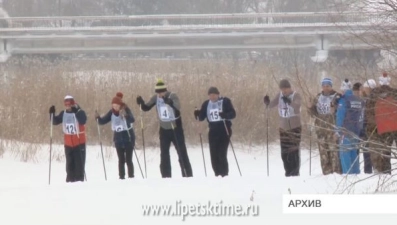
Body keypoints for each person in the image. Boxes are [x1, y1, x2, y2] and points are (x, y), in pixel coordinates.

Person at [136, 79, 193, 178]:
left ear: (165, 91)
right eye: (158, 92)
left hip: (175, 128)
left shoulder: (173, 96)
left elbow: (177, 106)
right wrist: (141, 103)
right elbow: (146, 108)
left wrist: (169, 102)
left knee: (181, 152)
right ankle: (166, 176)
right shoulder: (155, 98)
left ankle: (187, 175)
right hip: (164, 130)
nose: (159, 94)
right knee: (164, 155)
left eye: (161, 92)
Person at [194, 87, 236, 177]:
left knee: (221, 154)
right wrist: (197, 114)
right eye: (210, 95)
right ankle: (217, 174)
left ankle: (224, 174)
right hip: (213, 131)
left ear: (218, 94)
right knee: (213, 155)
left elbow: (233, 114)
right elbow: (201, 117)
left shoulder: (225, 101)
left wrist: (225, 115)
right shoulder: (206, 104)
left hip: (224, 130)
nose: (212, 97)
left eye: (214, 95)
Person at [264, 79, 302, 177]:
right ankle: (288, 172)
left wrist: (289, 102)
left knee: (293, 151)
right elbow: (271, 105)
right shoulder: (279, 95)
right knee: (284, 152)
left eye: (286, 89)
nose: (284, 91)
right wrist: (267, 102)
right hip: (283, 127)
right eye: (282, 89)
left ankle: (294, 172)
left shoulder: (296, 95)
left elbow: (297, 107)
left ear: (290, 88)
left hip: (294, 127)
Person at [95, 92, 136, 180]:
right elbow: (103, 121)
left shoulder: (125, 109)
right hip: (118, 139)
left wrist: (126, 116)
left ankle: (131, 177)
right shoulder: (111, 112)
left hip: (128, 137)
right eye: (113, 105)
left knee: (129, 160)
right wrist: (98, 119)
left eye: (116, 105)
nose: (115, 107)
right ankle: (121, 177)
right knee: (121, 160)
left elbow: (132, 119)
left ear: (120, 105)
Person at [49, 95, 87, 182]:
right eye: (66, 105)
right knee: (69, 168)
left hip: (79, 143)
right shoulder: (64, 114)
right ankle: (69, 183)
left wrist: (77, 110)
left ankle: (79, 183)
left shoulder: (79, 112)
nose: (68, 107)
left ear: (73, 104)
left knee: (79, 167)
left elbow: (83, 120)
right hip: (68, 144)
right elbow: (54, 122)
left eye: (69, 105)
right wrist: (51, 114)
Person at [308, 78, 342, 175]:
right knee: (323, 152)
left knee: (333, 151)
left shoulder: (337, 96)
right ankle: (326, 173)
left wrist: (335, 110)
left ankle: (336, 172)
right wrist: (310, 107)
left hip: (332, 128)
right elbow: (313, 114)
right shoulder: (318, 97)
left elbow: (342, 110)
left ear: (331, 86)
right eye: (324, 86)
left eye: (328, 86)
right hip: (320, 129)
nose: (325, 88)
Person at [365, 81, 397, 174]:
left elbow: (369, 112)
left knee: (385, 153)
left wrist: (376, 124)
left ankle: (386, 173)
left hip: (383, 128)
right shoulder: (395, 93)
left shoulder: (374, 95)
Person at [335, 86, 365, 174]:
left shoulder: (344, 100)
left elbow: (340, 117)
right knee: (354, 153)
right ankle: (356, 173)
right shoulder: (359, 100)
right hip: (356, 131)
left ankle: (348, 175)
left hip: (345, 131)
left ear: (343, 90)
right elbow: (362, 117)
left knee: (345, 154)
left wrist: (337, 131)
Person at [356, 81, 373, 174]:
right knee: (356, 150)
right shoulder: (360, 99)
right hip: (358, 126)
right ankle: (356, 169)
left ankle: (368, 170)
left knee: (367, 150)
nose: (363, 90)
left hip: (366, 127)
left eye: (365, 88)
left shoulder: (371, 99)